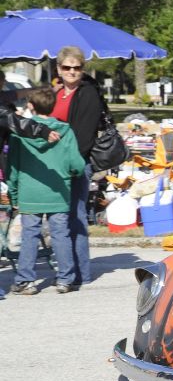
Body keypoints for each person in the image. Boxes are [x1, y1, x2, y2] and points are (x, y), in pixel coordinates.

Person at [7, 88, 85, 295]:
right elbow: (76, 163)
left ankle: (26, 280)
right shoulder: (65, 130)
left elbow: (12, 167)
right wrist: (72, 173)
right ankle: (65, 279)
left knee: (29, 236)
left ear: (30, 106)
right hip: (58, 189)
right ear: (53, 106)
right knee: (60, 235)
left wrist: (14, 194)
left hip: (29, 191)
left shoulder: (19, 134)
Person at [50, 46, 103, 286]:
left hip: (76, 162)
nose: (72, 71)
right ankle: (67, 268)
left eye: (77, 67)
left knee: (75, 216)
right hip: (54, 162)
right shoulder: (57, 92)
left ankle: (80, 273)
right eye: (67, 67)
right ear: (58, 69)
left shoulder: (88, 93)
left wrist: (71, 163)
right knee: (61, 217)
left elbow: (84, 136)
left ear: (83, 69)